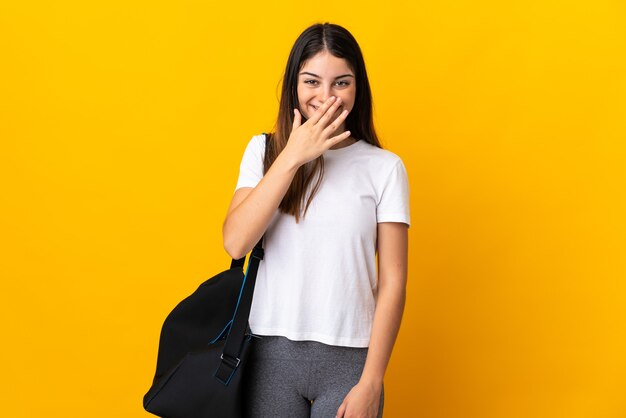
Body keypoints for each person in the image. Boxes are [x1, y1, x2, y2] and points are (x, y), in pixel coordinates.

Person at [222, 22, 410, 418]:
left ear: (358, 88)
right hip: (269, 356)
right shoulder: (264, 151)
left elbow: (393, 280)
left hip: (351, 361)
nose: (326, 97)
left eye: (341, 83)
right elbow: (235, 242)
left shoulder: (384, 168)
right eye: (312, 81)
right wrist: (293, 155)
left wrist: (373, 380)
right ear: (294, 84)